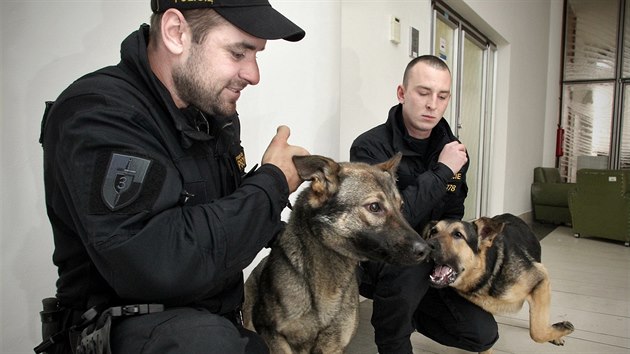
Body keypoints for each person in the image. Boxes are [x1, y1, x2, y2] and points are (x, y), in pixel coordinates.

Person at [38, 0, 309, 353]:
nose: (253, 74)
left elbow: (217, 216)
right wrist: (272, 183)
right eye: (239, 53)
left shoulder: (209, 113)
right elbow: (160, 263)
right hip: (135, 333)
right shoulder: (100, 113)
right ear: (175, 33)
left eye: (257, 55)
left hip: (216, 324)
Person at [350, 55, 498, 354]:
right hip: (383, 255)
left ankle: (410, 309)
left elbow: (454, 212)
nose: (433, 104)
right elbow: (388, 221)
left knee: (481, 334)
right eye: (423, 92)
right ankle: (394, 338)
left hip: (431, 253)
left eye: (442, 96)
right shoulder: (370, 147)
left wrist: (450, 252)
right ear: (402, 93)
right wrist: (442, 172)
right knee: (407, 269)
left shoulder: (454, 150)